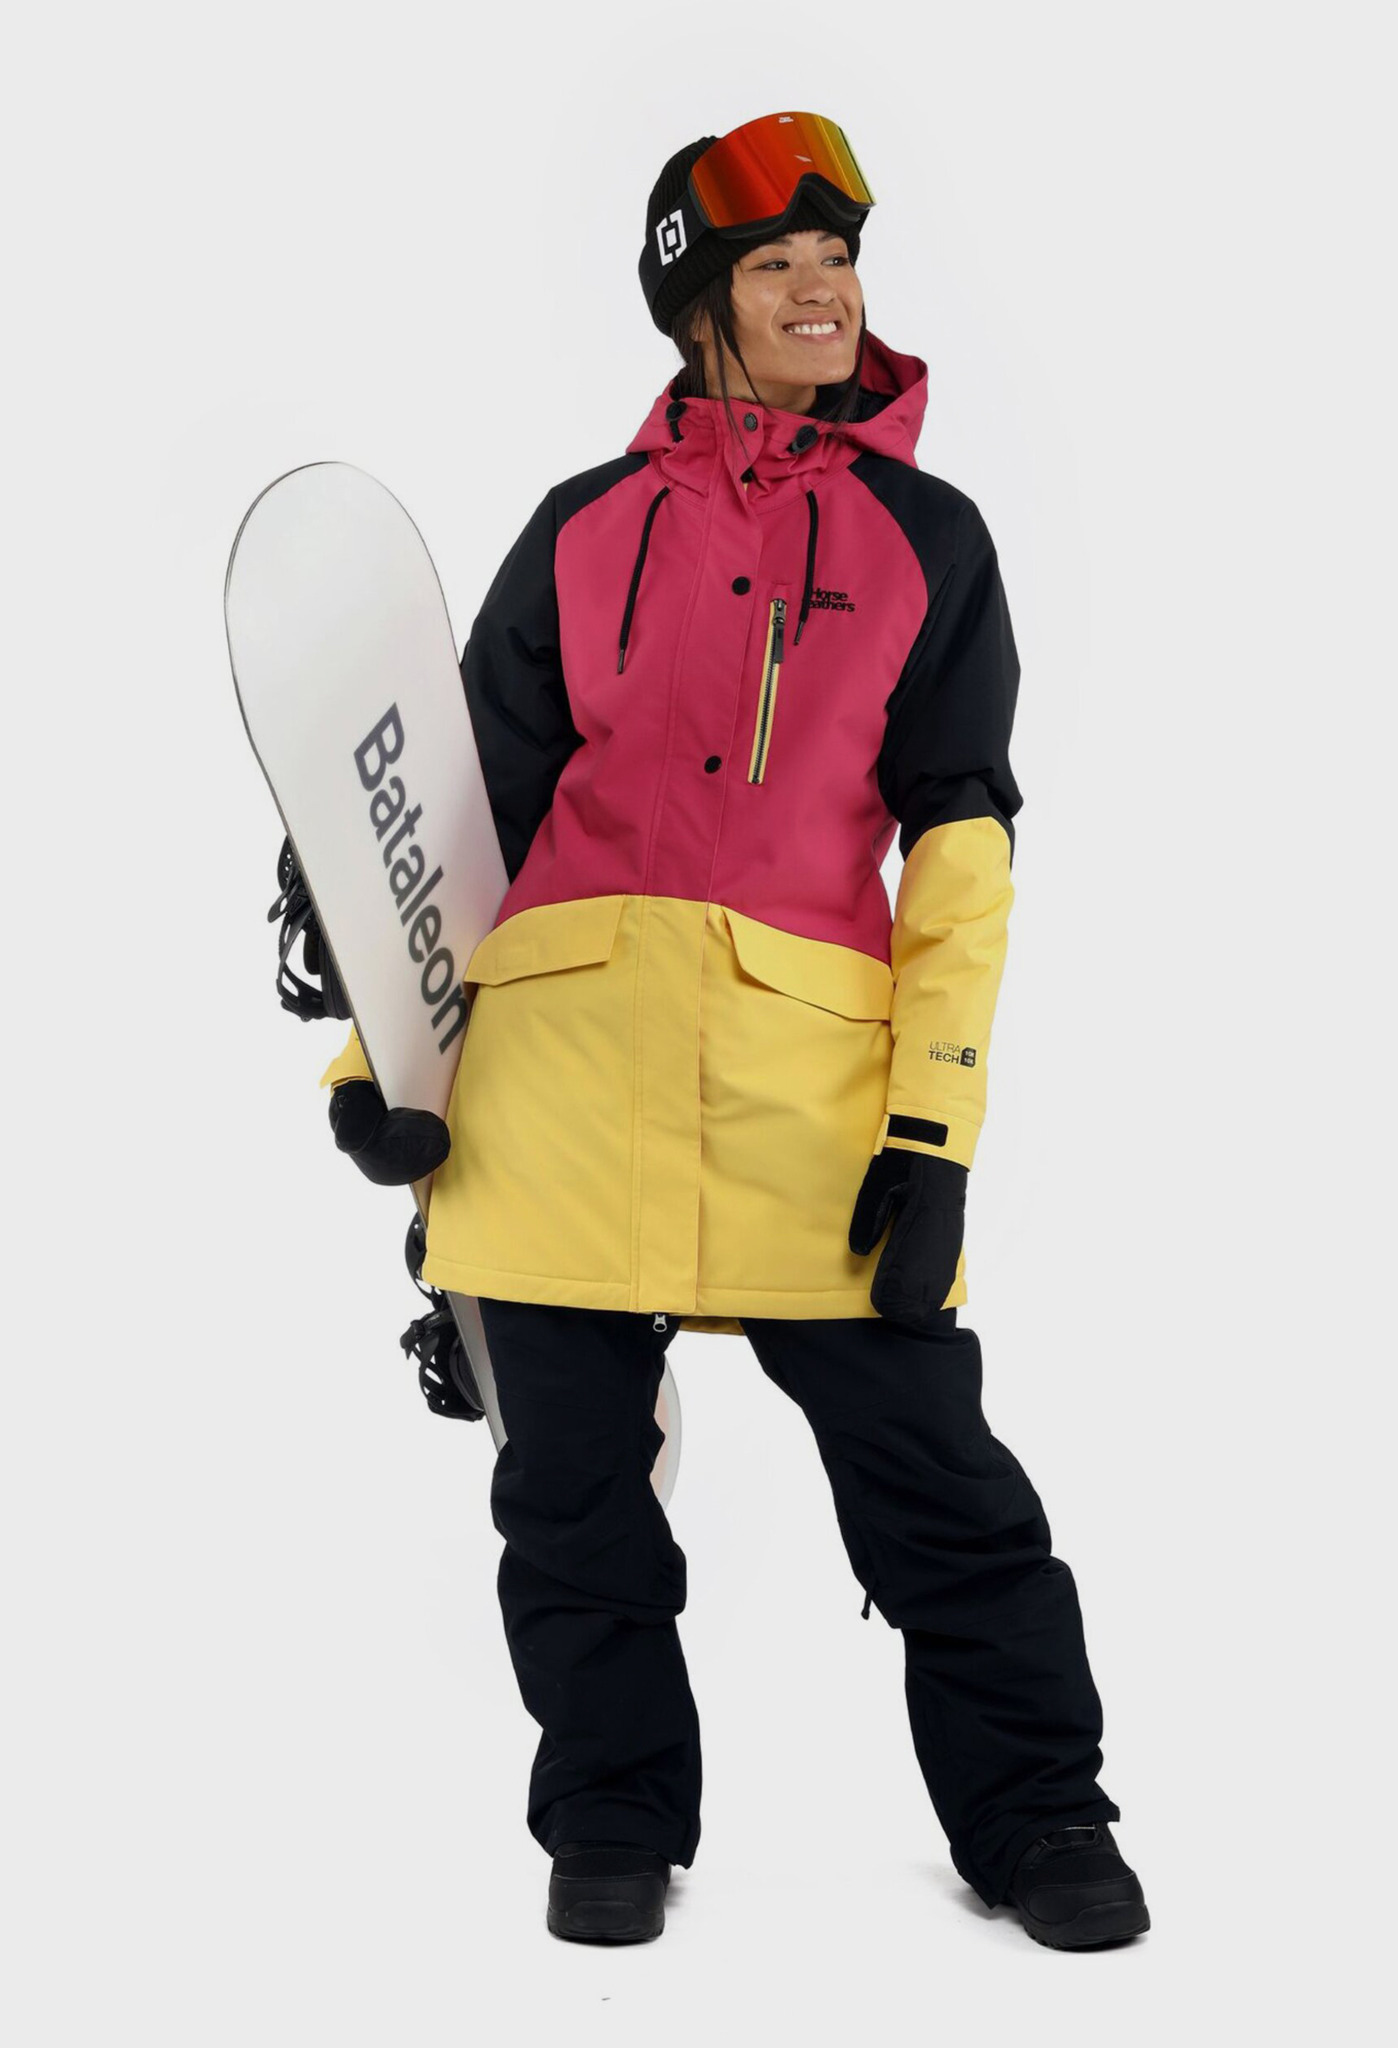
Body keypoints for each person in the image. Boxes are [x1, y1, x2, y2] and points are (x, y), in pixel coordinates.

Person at [319, 111, 1149, 1950]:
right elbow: (456, 826)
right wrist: (375, 1065)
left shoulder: (928, 542)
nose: (822, 291)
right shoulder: (585, 529)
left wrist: (934, 1130)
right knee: (569, 1497)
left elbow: (961, 856)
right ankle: (612, 1816)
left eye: (839, 257)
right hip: (556, 1093)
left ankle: (1039, 1814)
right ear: (696, 301)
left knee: (937, 1485)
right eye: (776, 262)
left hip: (806, 1105)